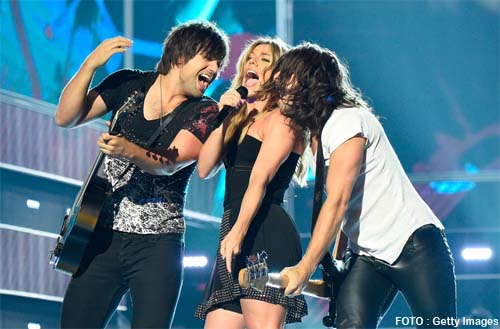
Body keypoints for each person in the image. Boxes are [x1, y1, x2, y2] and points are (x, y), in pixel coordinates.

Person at [262, 43, 457, 328]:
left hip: (414, 247)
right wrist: (339, 262)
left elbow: (338, 201)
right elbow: (348, 204)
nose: (279, 87)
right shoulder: (321, 131)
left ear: (307, 79)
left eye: (286, 78)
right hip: (367, 256)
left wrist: (305, 267)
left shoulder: (347, 119)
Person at [54, 21, 229, 328]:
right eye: (209, 58)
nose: (215, 68)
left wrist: (128, 149)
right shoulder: (128, 84)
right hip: (101, 235)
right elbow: (65, 116)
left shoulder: (204, 111)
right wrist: (91, 64)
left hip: (158, 246)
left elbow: (170, 163)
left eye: (219, 63)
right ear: (180, 57)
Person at [194, 37, 310, 328]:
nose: (253, 64)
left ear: (280, 75)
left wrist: (238, 233)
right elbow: (204, 167)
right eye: (250, 58)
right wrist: (224, 116)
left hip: (262, 234)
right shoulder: (237, 118)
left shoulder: (282, 120)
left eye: (264, 60)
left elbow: (259, 181)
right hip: (232, 233)